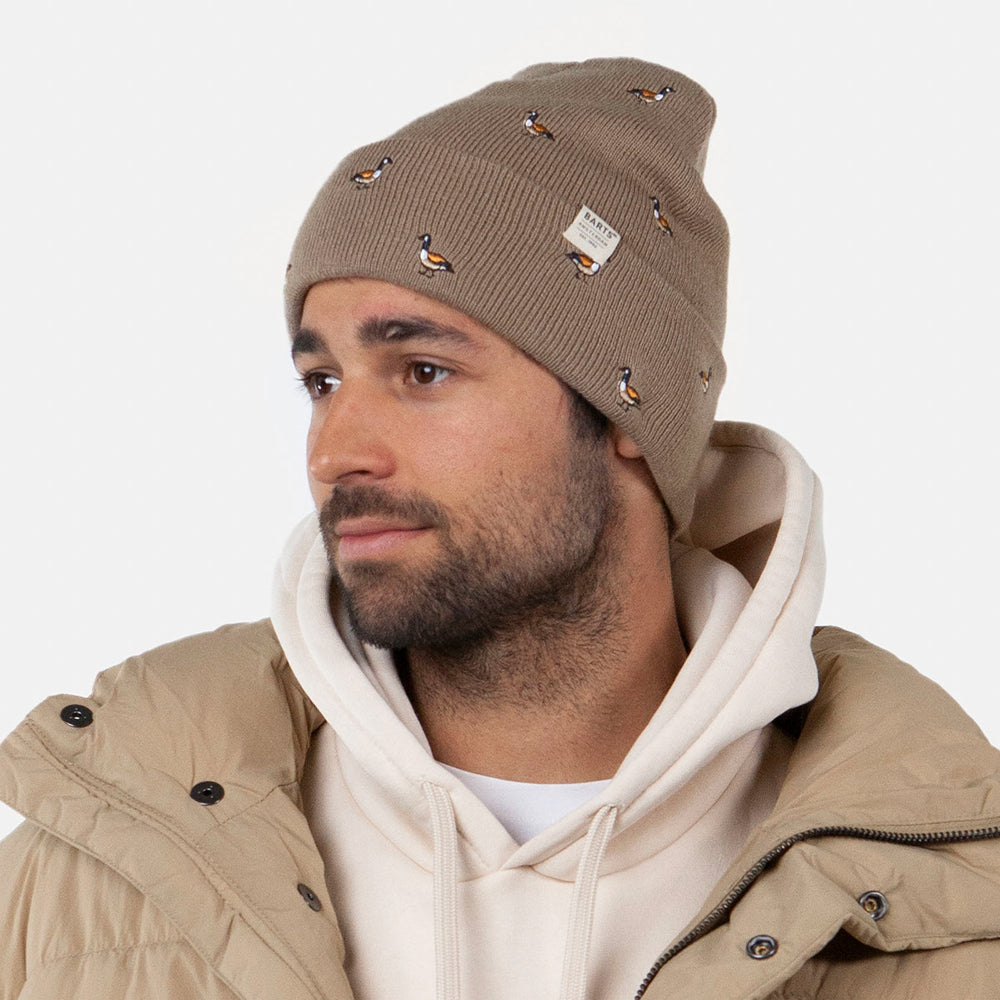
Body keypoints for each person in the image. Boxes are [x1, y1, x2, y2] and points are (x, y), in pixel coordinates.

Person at [1, 56, 998, 1000]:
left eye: (423, 371)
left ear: (627, 411)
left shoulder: (940, 905)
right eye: (323, 381)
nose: (334, 452)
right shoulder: (85, 881)